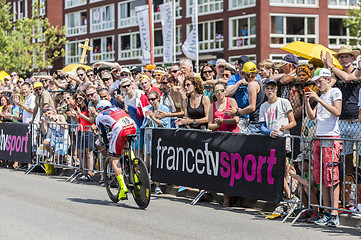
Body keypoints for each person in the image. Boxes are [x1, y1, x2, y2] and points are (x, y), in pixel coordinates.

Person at [305, 68, 342, 227]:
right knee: (322, 177)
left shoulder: (334, 91)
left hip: (331, 138)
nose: (318, 84)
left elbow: (337, 112)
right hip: (319, 138)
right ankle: (327, 212)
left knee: (332, 177)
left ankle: (334, 213)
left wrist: (318, 100)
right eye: (316, 81)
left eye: (320, 81)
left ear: (328, 79)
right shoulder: (321, 95)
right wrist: (307, 101)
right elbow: (312, 116)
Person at [326, 46, 361, 176]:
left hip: (358, 121)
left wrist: (331, 66)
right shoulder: (336, 74)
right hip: (342, 122)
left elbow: (348, 78)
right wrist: (327, 69)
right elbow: (327, 87)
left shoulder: (358, 71)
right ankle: (349, 187)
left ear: (353, 58)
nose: (344, 59)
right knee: (345, 158)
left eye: (346, 56)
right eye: (341, 56)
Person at [95, 100, 137, 199]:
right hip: (132, 125)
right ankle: (135, 173)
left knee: (114, 158)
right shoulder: (118, 108)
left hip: (119, 128)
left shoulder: (99, 116)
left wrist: (106, 144)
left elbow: (103, 134)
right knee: (127, 146)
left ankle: (123, 187)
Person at [143, 91, 171, 194]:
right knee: (149, 162)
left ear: (158, 98)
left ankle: (158, 185)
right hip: (150, 140)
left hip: (162, 140)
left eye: (153, 99)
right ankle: (149, 184)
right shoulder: (149, 110)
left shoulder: (164, 109)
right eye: (149, 99)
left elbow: (164, 125)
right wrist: (149, 120)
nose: (151, 101)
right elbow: (145, 126)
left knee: (158, 162)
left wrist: (153, 117)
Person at [225, 62, 265, 134]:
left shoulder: (252, 84)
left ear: (245, 74)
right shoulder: (260, 83)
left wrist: (237, 112)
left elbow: (252, 107)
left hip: (255, 124)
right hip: (260, 122)